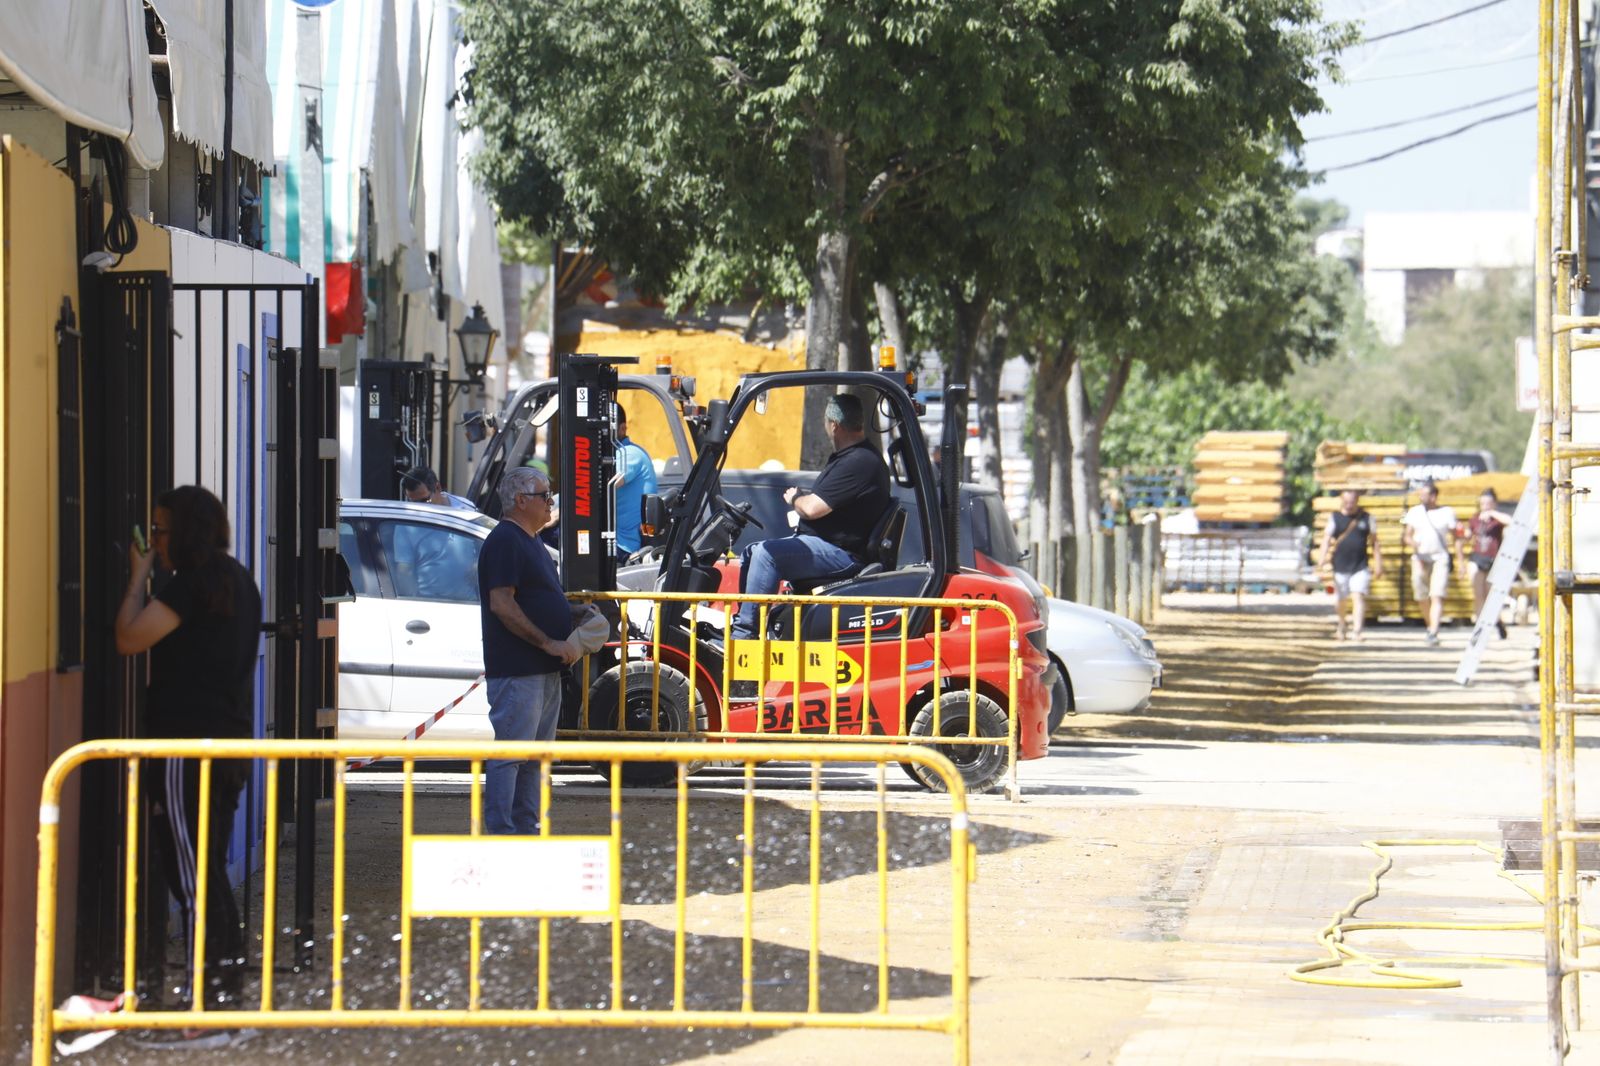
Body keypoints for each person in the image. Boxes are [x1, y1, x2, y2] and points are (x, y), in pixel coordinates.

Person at [115, 486, 262, 1031]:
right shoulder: (239, 580)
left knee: (194, 879)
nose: (154, 540)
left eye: (160, 530)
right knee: (210, 875)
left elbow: (129, 638)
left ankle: (209, 1006)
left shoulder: (190, 586)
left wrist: (137, 578)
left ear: (183, 530)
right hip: (226, 747)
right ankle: (222, 996)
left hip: (184, 751)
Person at [731, 394, 891, 640]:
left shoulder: (859, 461)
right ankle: (743, 623)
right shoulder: (854, 459)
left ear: (834, 425)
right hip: (829, 545)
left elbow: (812, 508)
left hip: (843, 554)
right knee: (752, 551)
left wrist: (795, 498)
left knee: (767, 555)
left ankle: (744, 637)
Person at [478, 466, 581, 835]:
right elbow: (502, 604)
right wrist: (547, 642)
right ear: (521, 501)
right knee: (512, 755)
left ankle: (526, 827)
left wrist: (571, 612)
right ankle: (503, 830)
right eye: (544, 495)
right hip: (520, 668)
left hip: (542, 668)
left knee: (535, 757)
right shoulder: (506, 540)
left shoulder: (531, 540)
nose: (550, 501)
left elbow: (534, 598)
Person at [1315, 489, 1385, 642]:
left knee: (1358, 596)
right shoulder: (1335, 518)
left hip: (1360, 565)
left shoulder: (1367, 518)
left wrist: (1379, 563)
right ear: (1341, 500)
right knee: (1341, 599)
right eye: (1346, 501)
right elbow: (1327, 539)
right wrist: (1321, 559)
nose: (1348, 505)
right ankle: (1342, 623)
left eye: (1351, 501)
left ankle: (1357, 630)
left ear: (1357, 501)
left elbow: (1375, 542)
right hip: (1340, 565)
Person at [1402, 480, 1457, 645]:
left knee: (1437, 595)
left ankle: (1433, 631)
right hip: (1420, 558)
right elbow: (1407, 535)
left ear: (1433, 496)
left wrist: (1459, 558)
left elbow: (1456, 536)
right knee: (1421, 595)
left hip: (1440, 557)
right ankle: (1430, 624)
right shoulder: (1414, 512)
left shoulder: (1447, 512)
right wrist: (1413, 544)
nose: (1421, 497)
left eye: (1424, 494)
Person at [1458, 487, 1515, 639]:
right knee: (1478, 595)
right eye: (1483, 504)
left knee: (1491, 596)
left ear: (1494, 504)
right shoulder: (1475, 519)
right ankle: (1479, 627)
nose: (1485, 507)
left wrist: (1492, 513)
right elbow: (1467, 537)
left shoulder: (1497, 520)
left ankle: (1497, 621)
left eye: (1488, 504)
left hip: (1494, 559)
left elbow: (1511, 522)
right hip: (1477, 557)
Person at [612, 405, 657, 560]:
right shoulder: (616, 454)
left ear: (623, 429)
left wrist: (559, 513)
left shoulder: (629, 453)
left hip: (621, 545)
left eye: (607, 429)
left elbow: (602, 485)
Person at [401, 465, 475, 510]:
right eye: (414, 502)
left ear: (438, 487)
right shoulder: (406, 517)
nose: (419, 507)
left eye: (425, 501)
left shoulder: (465, 509)